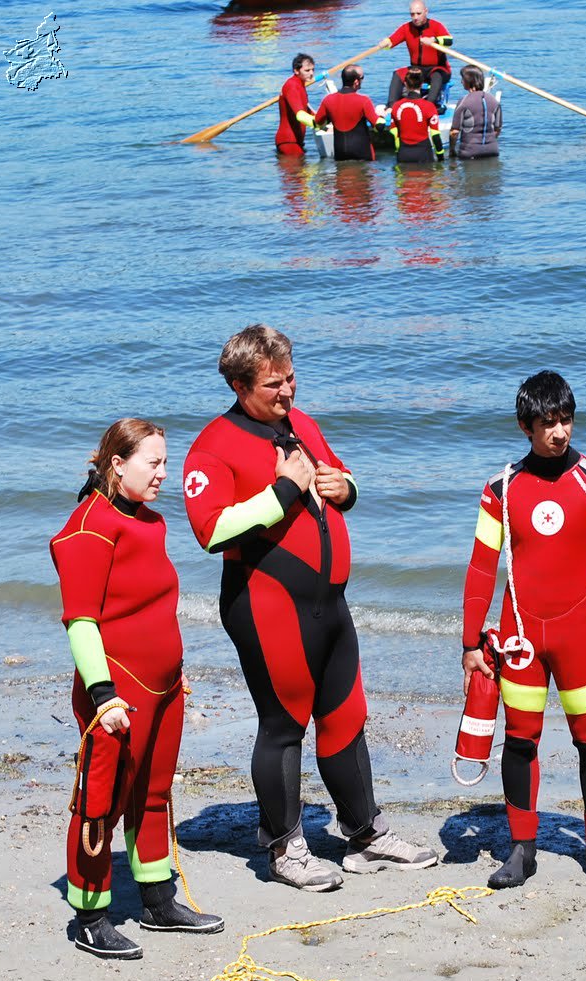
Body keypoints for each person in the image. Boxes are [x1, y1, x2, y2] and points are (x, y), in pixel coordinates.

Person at [181, 325, 437, 891]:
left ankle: (365, 836)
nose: (288, 392)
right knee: (283, 724)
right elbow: (211, 531)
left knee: (347, 715)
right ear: (239, 384)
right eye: (274, 384)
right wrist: (282, 491)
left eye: (292, 377)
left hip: (330, 603)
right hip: (266, 605)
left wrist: (345, 487)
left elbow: (343, 477)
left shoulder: (303, 426)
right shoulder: (212, 448)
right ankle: (283, 849)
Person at [49, 419, 223, 959]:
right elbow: (80, 622)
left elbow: (152, 605)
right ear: (118, 464)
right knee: (100, 802)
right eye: (154, 463)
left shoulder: (150, 522)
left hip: (164, 689)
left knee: (154, 794)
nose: (164, 474)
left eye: (166, 462)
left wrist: (174, 673)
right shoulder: (88, 529)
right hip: (117, 694)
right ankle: (90, 915)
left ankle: (157, 899)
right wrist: (104, 697)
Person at [461, 371, 586, 889]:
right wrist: (471, 640)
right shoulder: (501, 489)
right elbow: (480, 567)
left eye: (565, 420)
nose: (559, 432)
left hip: (579, 637)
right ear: (525, 426)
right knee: (520, 741)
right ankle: (522, 848)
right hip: (520, 637)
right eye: (547, 424)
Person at [381, 0, 452, 108]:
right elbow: (392, 40)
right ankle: (391, 107)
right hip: (417, 69)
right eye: (412, 14)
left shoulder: (436, 26)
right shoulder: (406, 28)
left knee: (437, 76)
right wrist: (386, 43)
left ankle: (429, 106)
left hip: (438, 69)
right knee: (398, 73)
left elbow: (449, 41)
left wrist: (435, 40)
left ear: (426, 12)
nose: (415, 17)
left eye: (418, 14)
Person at [313, 65, 380, 162]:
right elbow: (378, 125)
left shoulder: (328, 100)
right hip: (362, 153)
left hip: (340, 154)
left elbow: (317, 122)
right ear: (356, 82)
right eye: (362, 78)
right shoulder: (364, 101)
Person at [391, 69, 444, 163]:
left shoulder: (396, 106)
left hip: (403, 154)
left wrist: (397, 152)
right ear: (422, 84)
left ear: (405, 84)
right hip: (423, 154)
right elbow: (435, 135)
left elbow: (394, 133)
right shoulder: (429, 106)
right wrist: (440, 157)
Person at [448, 64, 501, 159]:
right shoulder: (494, 101)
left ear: (469, 81)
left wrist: (452, 151)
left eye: (463, 79)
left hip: (469, 152)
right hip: (492, 151)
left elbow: (454, 132)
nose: (461, 82)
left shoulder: (464, 101)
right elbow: (497, 129)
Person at [275, 53, 318, 157]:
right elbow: (301, 116)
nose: (311, 73)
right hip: (288, 141)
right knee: (297, 172)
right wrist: (320, 124)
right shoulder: (292, 86)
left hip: (295, 141)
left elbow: (307, 111)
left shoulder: (300, 84)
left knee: (301, 172)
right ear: (296, 71)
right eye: (307, 70)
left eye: (313, 69)